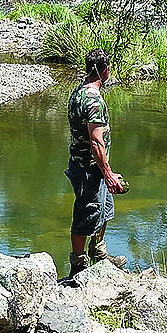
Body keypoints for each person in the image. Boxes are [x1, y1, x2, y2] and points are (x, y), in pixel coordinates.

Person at [65, 48, 129, 278]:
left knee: (104, 210)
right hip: (87, 169)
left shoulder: (77, 93)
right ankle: (78, 264)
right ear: (106, 71)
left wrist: (106, 172)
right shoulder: (94, 101)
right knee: (85, 213)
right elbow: (96, 142)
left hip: (91, 167)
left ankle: (99, 253)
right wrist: (108, 173)